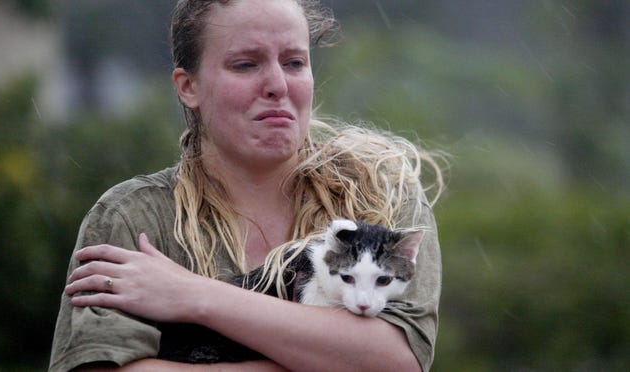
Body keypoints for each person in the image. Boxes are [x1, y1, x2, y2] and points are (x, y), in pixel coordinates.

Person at [49, 0, 445, 371]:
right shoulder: (133, 216)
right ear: (189, 87)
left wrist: (193, 295)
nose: (277, 85)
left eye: (293, 62)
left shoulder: (383, 196)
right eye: (245, 64)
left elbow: (398, 360)